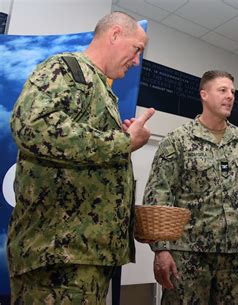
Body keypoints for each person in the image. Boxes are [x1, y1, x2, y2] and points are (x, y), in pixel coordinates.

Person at [8, 12, 155, 304]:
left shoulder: (100, 88)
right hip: (58, 260)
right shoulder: (67, 70)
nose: (137, 60)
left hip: (83, 257)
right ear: (114, 35)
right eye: (136, 49)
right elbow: (31, 126)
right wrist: (124, 141)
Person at [143, 70, 238, 304]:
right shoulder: (178, 140)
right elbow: (158, 195)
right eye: (222, 90)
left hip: (236, 258)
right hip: (188, 256)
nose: (230, 96)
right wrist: (161, 250)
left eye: (233, 92)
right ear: (204, 94)